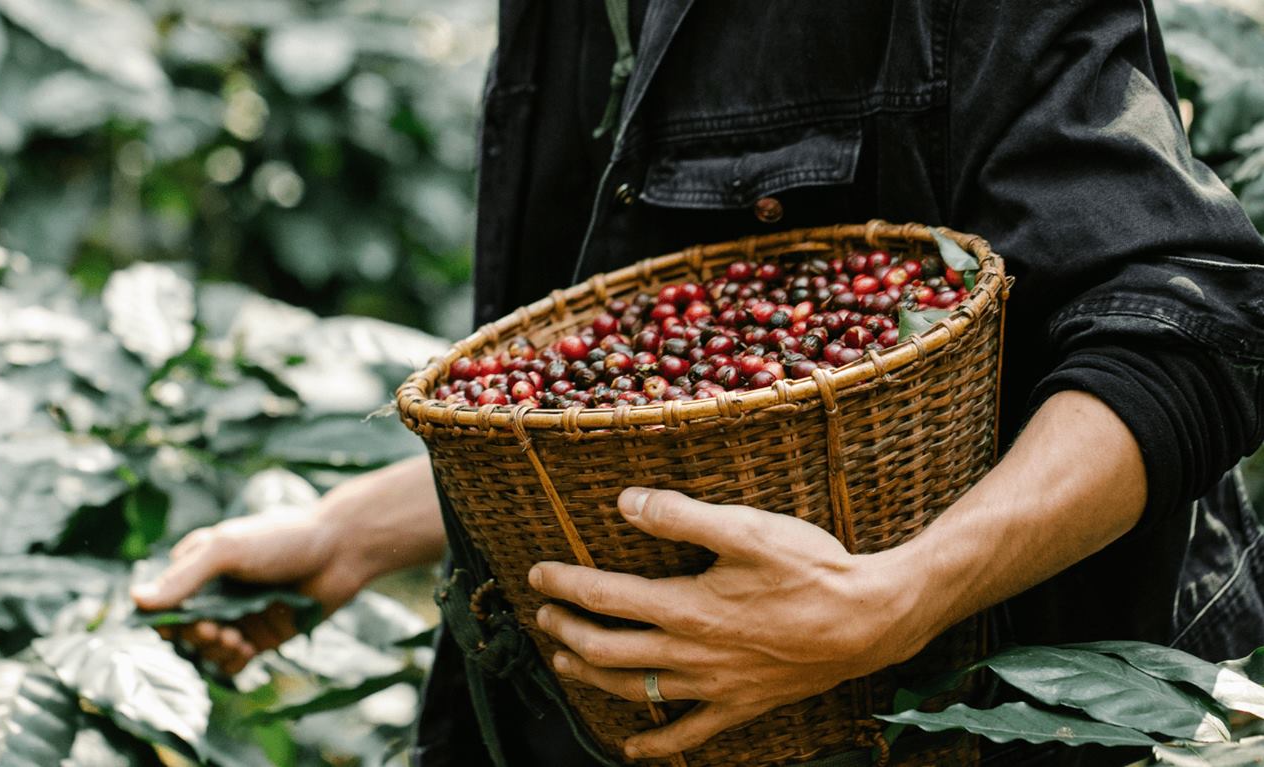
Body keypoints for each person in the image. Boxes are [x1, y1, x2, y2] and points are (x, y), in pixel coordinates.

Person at [132, 1, 1264, 764]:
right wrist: (346, 535)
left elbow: (1186, 324)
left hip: (980, 720)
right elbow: (636, 402)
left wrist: (895, 595)